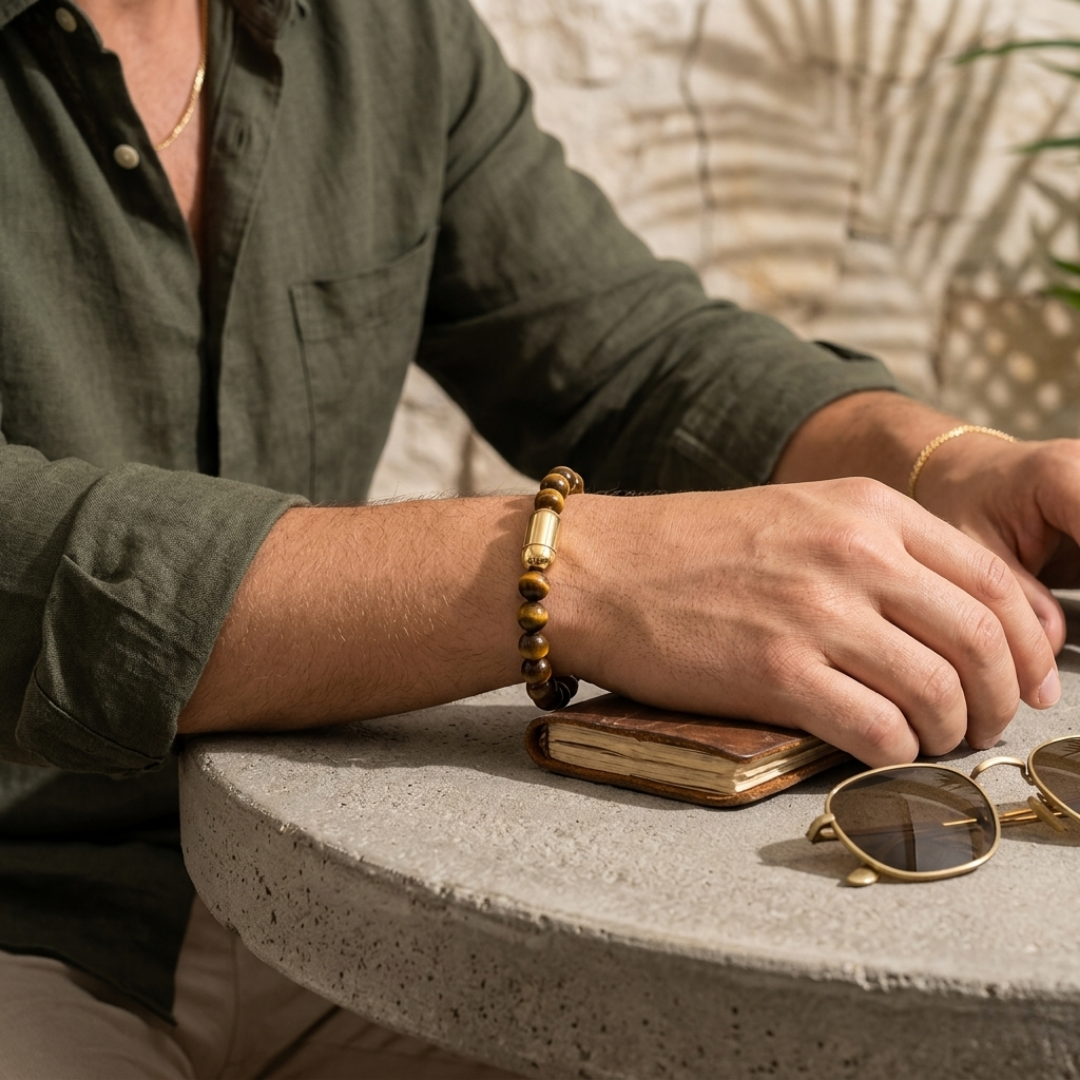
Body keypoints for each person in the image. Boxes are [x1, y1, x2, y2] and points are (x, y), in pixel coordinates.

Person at [0, 0, 1077, 1075]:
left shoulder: (377, 31)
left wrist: (950, 464)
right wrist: (569, 574)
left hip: (321, 895)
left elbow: (626, 354)